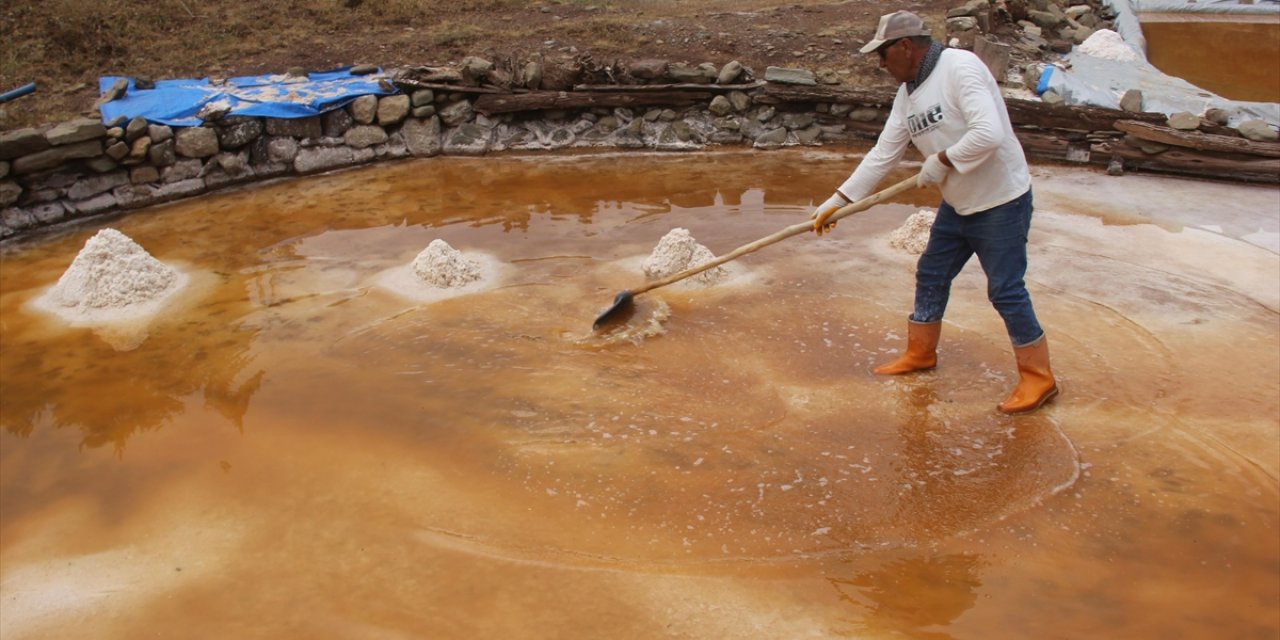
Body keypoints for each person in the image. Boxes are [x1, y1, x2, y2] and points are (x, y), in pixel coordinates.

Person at [810, 10, 1058, 414]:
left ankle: (1038, 379)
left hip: (1000, 200)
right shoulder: (908, 95)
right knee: (932, 273)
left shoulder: (960, 68)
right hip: (959, 204)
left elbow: (989, 133)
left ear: (905, 47)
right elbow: (883, 154)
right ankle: (921, 354)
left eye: (883, 54)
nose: (880, 64)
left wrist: (943, 159)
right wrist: (840, 200)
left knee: (1006, 289)